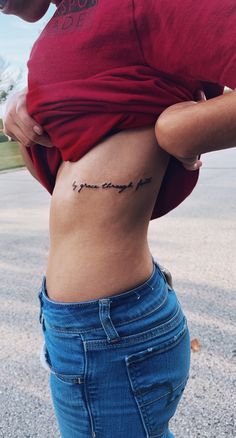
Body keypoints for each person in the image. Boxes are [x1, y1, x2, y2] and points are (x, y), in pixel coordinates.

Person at [2, 1, 236, 437]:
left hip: (109, 332)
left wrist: (181, 132)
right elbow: (69, 189)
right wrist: (23, 109)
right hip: (87, 326)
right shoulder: (56, 33)